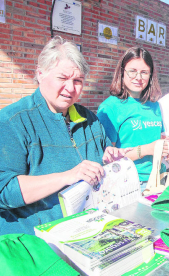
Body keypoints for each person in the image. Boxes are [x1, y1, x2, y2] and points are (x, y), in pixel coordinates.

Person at [0, 36, 127, 235]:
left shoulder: (90, 120)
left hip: (89, 230)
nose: (70, 88)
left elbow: (98, 165)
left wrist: (109, 158)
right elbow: (5, 191)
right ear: (40, 74)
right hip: (36, 241)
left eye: (78, 81)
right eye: (62, 78)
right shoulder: (12, 121)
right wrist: (67, 176)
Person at [97, 47, 168, 188]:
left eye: (144, 72)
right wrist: (146, 149)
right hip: (130, 183)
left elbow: (159, 139)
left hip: (159, 178)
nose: (138, 77)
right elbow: (106, 159)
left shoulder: (154, 106)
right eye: (132, 71)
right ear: (122, 72)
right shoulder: (110, 108)